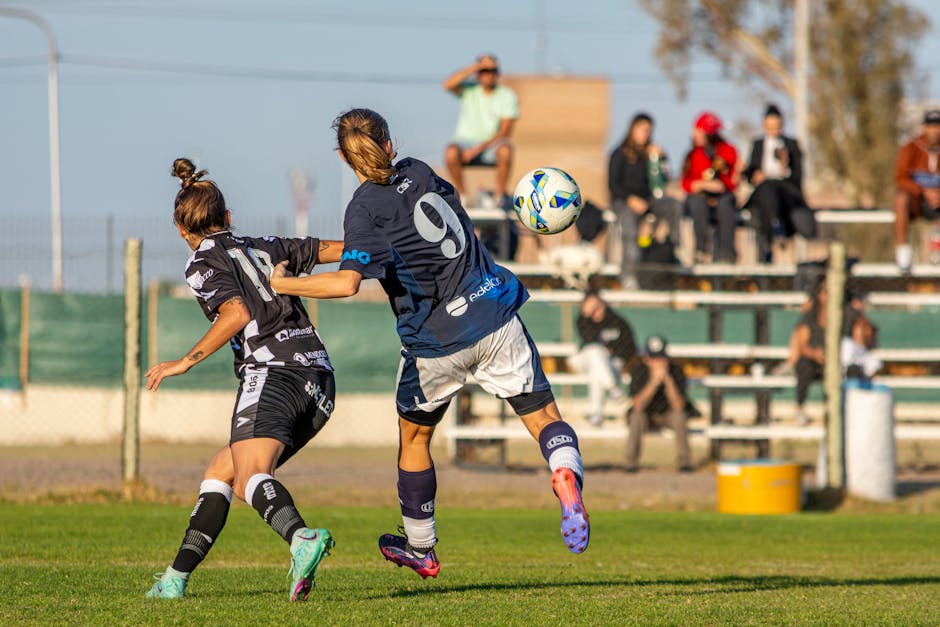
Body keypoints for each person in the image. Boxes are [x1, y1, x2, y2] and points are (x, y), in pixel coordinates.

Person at [270, 109, 590, 578]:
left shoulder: (363, 209)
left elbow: (346, 284)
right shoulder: (419, 170)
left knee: (415, 438)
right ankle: (565, 475)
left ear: (343, 157)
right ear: (389, 145)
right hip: (495, 312)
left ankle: (421, 548)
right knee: (544, 418)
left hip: (435, 342)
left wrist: (285, 284)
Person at [144, 159, 342, 602]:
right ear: (228, 217)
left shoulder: (200, 263)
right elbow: (337, 249)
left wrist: (185, 361)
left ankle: (300, 538)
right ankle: (175, 579)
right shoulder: (266, 246)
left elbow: (237, 313)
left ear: (181, 229)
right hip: (321, 382)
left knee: (252, 473)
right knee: (223, 470)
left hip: (274, 372)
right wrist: (389, 249)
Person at [773, 281, 878, 424]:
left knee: (853, 371)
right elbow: (802, 343)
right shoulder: (812, 315)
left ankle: (849, 411)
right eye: (824, 291)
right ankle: (800, 409)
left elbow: (859, 344)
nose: (826, 295)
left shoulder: (850, 314)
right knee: (804, 365)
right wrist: (814, 354)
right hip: (817, 361)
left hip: (842, 363)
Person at [608, 112, 683, 288]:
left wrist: (660, 159)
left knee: (674, 205)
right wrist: (630, 199)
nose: (646, 134)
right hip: (625, 201)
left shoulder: (651, 154)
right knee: (630, 230)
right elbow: (613, 185)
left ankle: (674, 249)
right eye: (642, 129)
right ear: (633, 129)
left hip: (648, 200)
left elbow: (664, 181)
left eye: (649, 130)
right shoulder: (619, 154)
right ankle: (629, 274)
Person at [743, 104, 816, 263]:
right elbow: (750, 173)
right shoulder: (757, 145)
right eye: (770, 127)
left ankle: (777, 228)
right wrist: (755, 175)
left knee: (771, 188)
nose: (774, 131)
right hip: (763, 194)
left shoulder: (791, 145)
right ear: (764, 125)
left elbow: (798, 176)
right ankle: (774, 231)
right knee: (766, 190)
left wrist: (785, 167)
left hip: (786, 193)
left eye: (777, 126)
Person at [443, 53, 519, 205]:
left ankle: (499, 196)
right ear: (478, 73)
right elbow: (448, 85)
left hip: (491, 146)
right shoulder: (469, 90)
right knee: (450, 152)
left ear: (497, 73)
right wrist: (477, 66)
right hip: (465, 143)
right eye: (484, 71)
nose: (488, 75)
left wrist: (476, 151)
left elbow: (504, 132)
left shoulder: (507, 96)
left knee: (506, 150)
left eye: (492, 71)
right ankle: (463, 196)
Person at [568, 290, 637, 426]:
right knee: (595, 351)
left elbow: (630, 346)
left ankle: (596, 415)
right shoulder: (583, 320)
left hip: (610, 364)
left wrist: (613, 352)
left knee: (596, 373)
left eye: (598, 306)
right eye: (592, 307)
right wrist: (588, 316)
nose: (596, 310)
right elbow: (588, 339)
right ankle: (612, 387)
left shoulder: (617, 321)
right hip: (585, 360)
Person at [626, 335, 693, 472]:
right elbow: (637, 405)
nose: (658, 362)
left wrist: (667, 380)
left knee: (679, 416)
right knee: (636, 417)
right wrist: (654, 382)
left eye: (661, 358)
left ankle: (685, 463)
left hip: (668, 415)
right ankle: (631, 463)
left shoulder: (676, 371)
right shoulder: (639, 370)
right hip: (646, 415)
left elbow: (679, 406)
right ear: (646, 359)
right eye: (654, 358)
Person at [681, 111, 739, 264]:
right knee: (697, 203)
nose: (695, 135)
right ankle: (701, 251)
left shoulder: (727, 151)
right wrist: (702, 184)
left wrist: (721, 184)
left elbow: (733, 181)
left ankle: (726, 254)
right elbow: (685, 183)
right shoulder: (693, 154)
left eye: (699, 132)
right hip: (699, 197)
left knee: (726, 204)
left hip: (722, 197)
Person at [893, 109, 940, 272]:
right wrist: (923, 191)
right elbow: (900, 178)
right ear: (924, 127)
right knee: (901, 199)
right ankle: (902, 253)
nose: (935, 131)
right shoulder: (911, 149)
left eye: (938, 126)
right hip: (917, 202)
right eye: (931, 126)